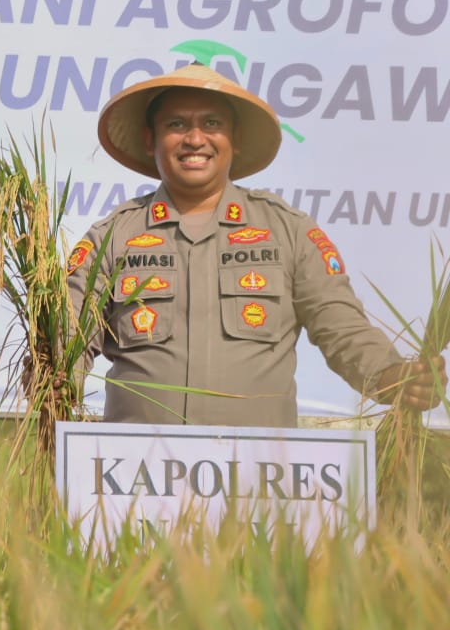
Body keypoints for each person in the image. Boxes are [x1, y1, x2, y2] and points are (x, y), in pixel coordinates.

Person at [66, 62, 446, 426]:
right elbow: (67, 343)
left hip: (261, 477)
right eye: (176, 124)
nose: (195, 138)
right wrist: (49, 376)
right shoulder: (112, 237)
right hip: (132, 476)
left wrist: (393, 376)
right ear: (151, 140)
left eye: (212, 123)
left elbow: (342, 329)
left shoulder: (287, 231)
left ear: (235, 139)